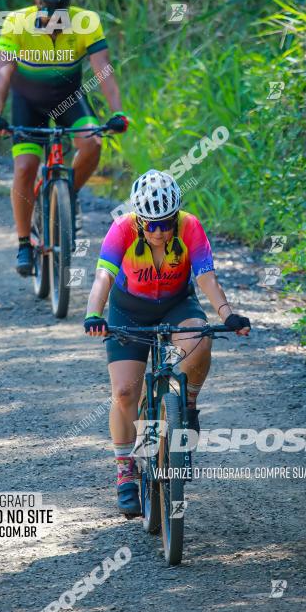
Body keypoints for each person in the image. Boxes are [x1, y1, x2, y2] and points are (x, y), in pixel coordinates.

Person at [83, 170, 250, 517]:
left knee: (201, 340)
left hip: (177, 304)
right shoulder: (122, 229)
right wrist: (93, 314)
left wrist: (228, 314)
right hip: (129, 310)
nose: (159, 232)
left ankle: (186, 407)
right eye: (151, 225)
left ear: (176, 216)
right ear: (139, 221)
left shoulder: (190, 227)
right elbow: (104, 275)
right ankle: (126, 469)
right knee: (126, 392)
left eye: (166, 223)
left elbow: (205, 276)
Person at [0, 0, 128, 276]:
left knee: (92, 141)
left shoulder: (86, 21)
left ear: (69, 2)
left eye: (60, 7)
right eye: (47, 7)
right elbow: (3, 73)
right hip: (28, 103)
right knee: (24, 167)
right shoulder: (16, 22)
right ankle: (24, 242)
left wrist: (117, 112)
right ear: (37, 1)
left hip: (69, 99)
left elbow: (103, 69)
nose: (54, 14)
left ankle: (66, 194)